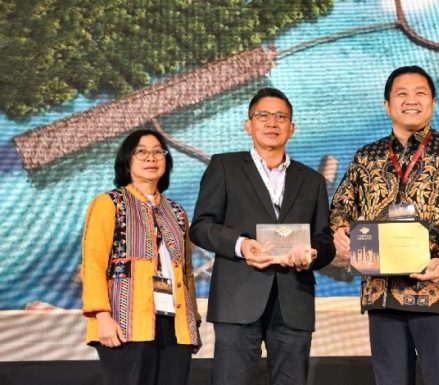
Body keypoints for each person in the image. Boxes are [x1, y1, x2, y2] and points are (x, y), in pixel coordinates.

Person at [330, 66, 439, 385]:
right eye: (402, 94)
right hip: (381, 292)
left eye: (420, 93)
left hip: (436, 290)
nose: (411, 100)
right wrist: (339, 230)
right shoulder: (366, 157)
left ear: (432, 102)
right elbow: (341, 206)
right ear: (387, 104)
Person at [190, 87, 335, 385]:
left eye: (281, 117)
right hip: (237, 299)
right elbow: (201, 226)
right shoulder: (225, 166)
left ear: (291, 128)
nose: (272, 123)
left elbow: (325, 239)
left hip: (293, 301)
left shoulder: (312, 180)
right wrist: (242, 246)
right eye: (264, 115)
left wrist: (313, 254)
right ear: (249, 125)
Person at [81, 129, 201, 385]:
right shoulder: (109, 203)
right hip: (126, 323)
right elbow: (92, 263)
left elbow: (187, 270)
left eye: (158, 152)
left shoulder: (176, 212)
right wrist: (101, 316)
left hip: (175, 324)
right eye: (142, 152)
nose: (151, 158)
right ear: (127, 160)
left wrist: (193, 322)